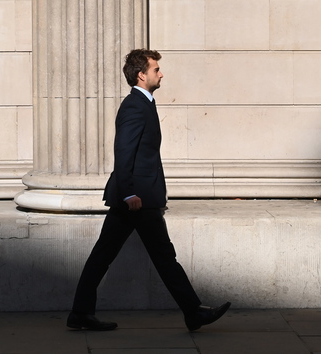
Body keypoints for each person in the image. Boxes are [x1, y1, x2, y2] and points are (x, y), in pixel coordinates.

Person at [67, 49, 230, 332]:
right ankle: (193, 312)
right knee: (162, 257)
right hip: (136, 200)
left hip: (138, 198)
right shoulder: (134, 106)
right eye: (156, 69)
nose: (161, 73)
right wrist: (129, 193)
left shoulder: (144, 104)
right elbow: (124, 151)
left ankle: (80, 313)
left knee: (107, 256)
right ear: (142, 75)